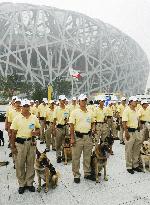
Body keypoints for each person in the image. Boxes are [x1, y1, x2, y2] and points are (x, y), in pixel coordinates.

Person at [11, 100, 40, 194]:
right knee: (20, 164)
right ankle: (21, 184)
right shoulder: (17, 118)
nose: (26, 107)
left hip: (31, 143)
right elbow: (13, 134)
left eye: (28, 106)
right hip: (20, 144)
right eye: (24, 106)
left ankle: (29, 183)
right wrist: (13, 147)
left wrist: (36, 132)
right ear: (21, 107)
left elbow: (38, 129)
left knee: (30, 163)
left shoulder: (34, 117)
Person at [69, 94, 95, 183]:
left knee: (87, 156)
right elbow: (71, 125)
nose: (84, 101)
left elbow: (93, 122)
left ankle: (87, 173)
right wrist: (72, 137)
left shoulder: (90, 112)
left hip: (88, 137)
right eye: (82, 100)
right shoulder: (74, 112)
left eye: (85, 100)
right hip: (78, 137)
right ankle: (76, 174)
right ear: (79, 101)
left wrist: (93, 128)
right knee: (76, 157)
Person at [122, 96, 142, 174]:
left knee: (136, 149)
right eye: (134, 101)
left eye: (136, 101)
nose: (136, 102)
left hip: (136, 131)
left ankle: (135, 165)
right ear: (130, 102)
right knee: (129, 150)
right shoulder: (126, 111)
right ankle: (129, 166)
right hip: (129, 132)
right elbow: (124, 123)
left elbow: (137, 119)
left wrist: (139, 125)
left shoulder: (136, 110)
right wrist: (126, 133)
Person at [53, 95, 70, 163]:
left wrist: (67, 121)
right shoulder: (56, 109)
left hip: (65, 126)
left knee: (65, 142)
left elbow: (69, 118)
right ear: (59, 100)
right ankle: (58, 156)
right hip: (59, 128)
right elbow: (54, 119)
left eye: (64, 100)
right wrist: (53, 129)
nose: (63, 101)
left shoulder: (67, 109)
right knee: (58, 143)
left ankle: (64, 156)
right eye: (62, 100)